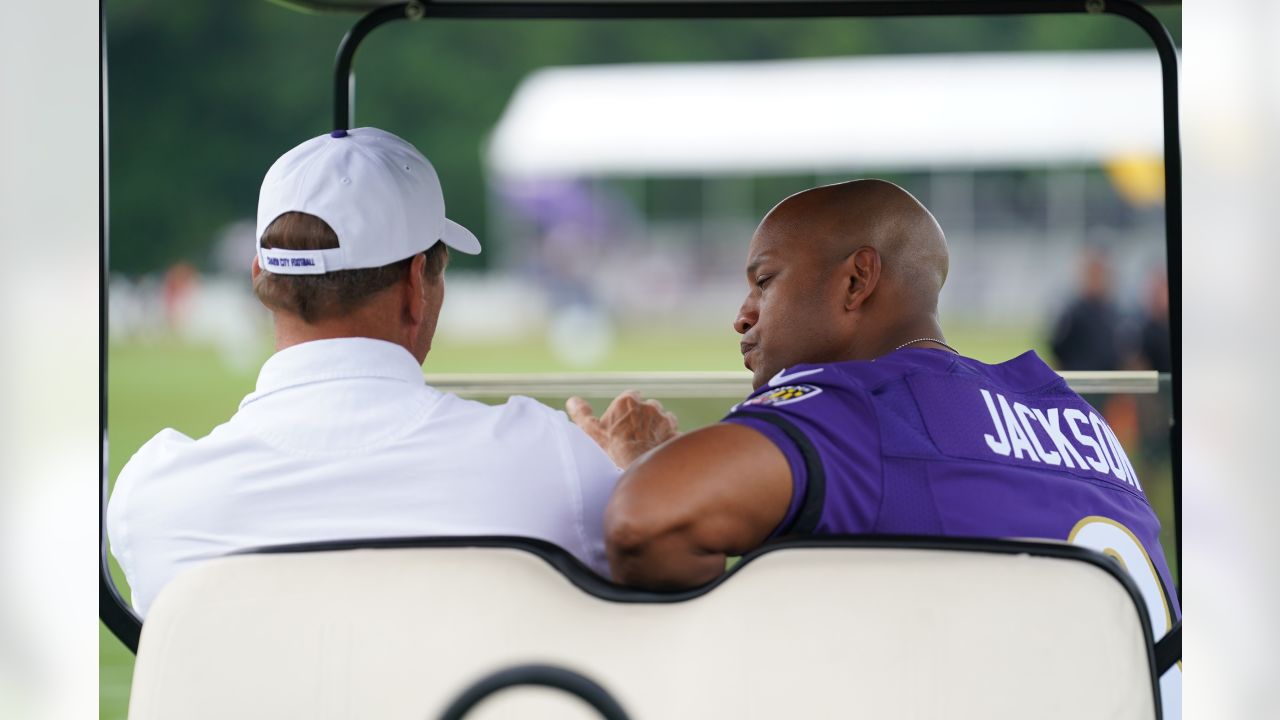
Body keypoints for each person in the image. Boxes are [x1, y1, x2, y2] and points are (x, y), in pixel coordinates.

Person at [582, 179, 1180, 714]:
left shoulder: (862, 405)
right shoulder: (1072, 416)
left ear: (856, 279)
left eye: (764, 282)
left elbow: (646, 523)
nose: (742, 317)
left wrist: (644, 463)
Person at [107, 127, 676, 616]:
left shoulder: (154, 494)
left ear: (262, 277)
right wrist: (634, 476)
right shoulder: (555, 460)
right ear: (414, 284)